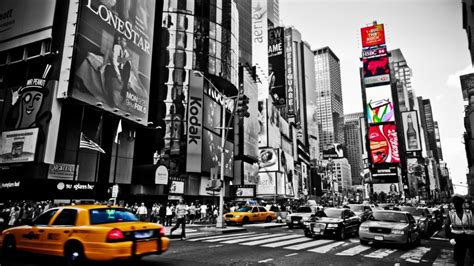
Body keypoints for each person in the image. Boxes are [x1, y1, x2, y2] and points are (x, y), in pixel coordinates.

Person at [445, 194, 474, 266]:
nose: (456, 205)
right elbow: (446, 226)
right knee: (459, 259)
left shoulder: (469, 212)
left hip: (470, 237)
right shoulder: (451, 214)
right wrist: (450, 238)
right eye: (455, 203)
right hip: (458, 238)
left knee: (472, 257)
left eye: (458, 203)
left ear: (461, 204)